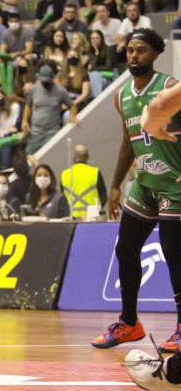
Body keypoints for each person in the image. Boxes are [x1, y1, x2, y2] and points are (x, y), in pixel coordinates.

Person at [92, 28, 181, 366]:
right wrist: (115, 185)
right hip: (144, 183)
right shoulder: (121, 96)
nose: (133, 55)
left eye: (141, 50)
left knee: (175, 254)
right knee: (126, 248)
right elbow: (128, 141)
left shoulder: (170, 88)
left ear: (155, 54)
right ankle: (129, 323)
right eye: (130, 49)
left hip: (174, 184)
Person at [21, 64, 77, 154]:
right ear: (39, 78)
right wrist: (24, 121)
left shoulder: (60, 91)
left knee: (50, 156)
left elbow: (72, 105)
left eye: (47, 81)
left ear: (52, 78)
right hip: (35, 132)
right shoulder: (34, 89)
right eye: (43, 81)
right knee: (29, 156)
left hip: (52, 132)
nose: (45, 83)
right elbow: (28, 105)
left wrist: (72, 115)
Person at [60, 144, 107, 220]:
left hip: (71, 218)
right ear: (87, 157)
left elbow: (62, 198)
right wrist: (96, 209)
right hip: (92, 218)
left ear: (73, 158)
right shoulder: (95, 172)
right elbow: (103, 196)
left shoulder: (65, 174)